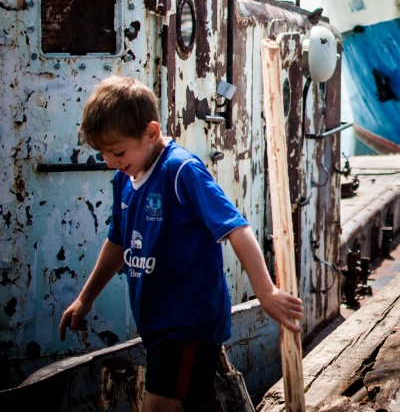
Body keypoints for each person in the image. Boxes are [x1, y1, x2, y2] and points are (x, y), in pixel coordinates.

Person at [59, 76, 303, 411]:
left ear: (151, 132)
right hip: (157, 330)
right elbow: (117, 243)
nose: (111, 162)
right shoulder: (125, 180)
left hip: (187, 328)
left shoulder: (180, 171)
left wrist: (267, 292)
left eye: (118, 152)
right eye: (104, 154)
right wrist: (85, 299)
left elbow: (236, 227)